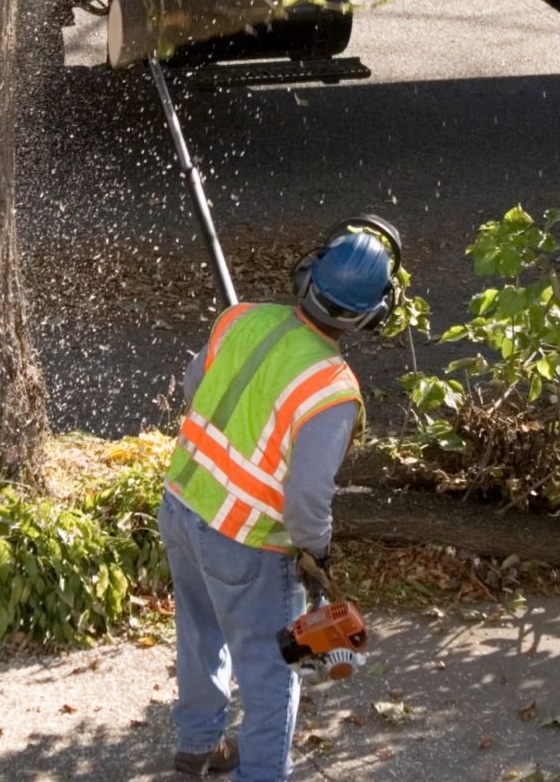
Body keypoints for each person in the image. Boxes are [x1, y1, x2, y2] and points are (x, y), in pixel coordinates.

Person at [158, 214, 402, 782]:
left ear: (306, 275)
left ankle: (196, 747)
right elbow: (306, 501)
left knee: (199, 635)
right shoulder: (332, 391)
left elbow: (197, 391)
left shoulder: (240, 318)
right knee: (270, 676)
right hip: (246, 544)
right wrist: (317, 553)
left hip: (181, 505)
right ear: (371, 317)